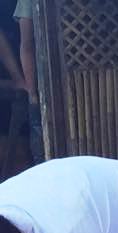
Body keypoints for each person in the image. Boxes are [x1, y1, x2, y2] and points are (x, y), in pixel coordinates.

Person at [13, 0, 42, 165]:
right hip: (46, 85)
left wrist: (32, 93)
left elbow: (26, 45)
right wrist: (32, 91)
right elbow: (27, 46)